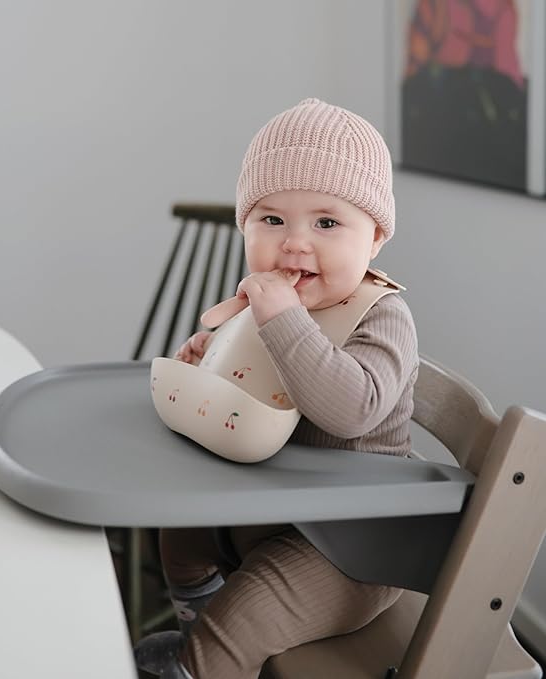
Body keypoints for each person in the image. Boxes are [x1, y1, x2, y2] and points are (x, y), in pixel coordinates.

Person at [135, 98, 419, 679]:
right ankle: (203, 644)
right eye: (271, 220)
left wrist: (283, 320)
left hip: (352, 543)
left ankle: (206, 658)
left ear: (374, 239)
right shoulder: (271, 305)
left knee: (240, 617)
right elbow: (258, 389)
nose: (294, 243)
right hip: (274, 506)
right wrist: (211, 360)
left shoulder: (380, 316)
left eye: (326, 223)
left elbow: (352, 409)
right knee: (178, 536)